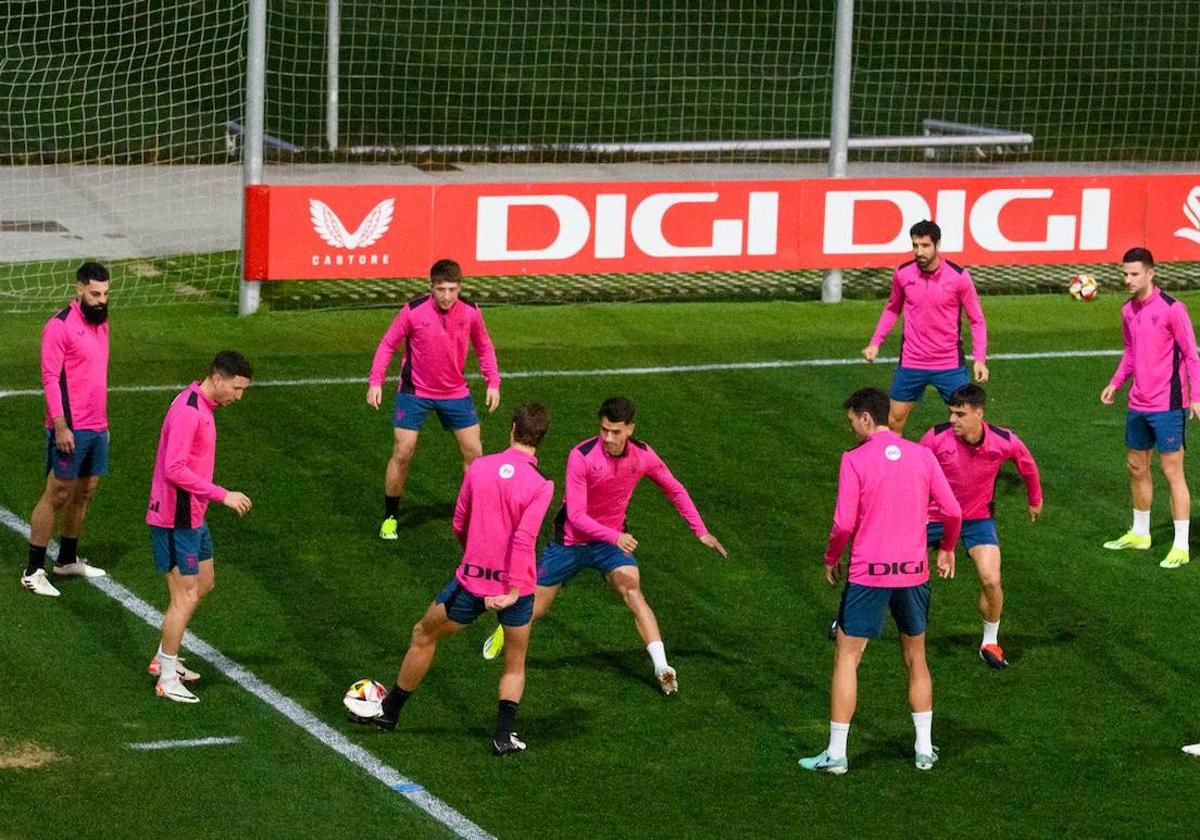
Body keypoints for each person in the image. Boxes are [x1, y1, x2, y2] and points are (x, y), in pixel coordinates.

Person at [479, 397, 728, 696]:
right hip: (571, 542)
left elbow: (673, 487)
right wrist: (614, 537)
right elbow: (577, 516)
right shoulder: (581, 456)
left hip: (610, 543)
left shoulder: (643, 456)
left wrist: (700, 530)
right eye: (604, 430)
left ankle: (662, 668)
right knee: (536, 606)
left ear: (630, 429)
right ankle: (503, 632)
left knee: (632, 589)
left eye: (616, 432)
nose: (608, 438)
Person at [354, 404, 554, 756]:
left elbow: (459, 521)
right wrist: (510, 592)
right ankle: (504, 735)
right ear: (541, 438)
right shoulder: (541, 485)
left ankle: (390, 712)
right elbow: (525, 540)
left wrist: (475, 557)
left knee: (423, 635)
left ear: (511, 429)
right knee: (514, 662)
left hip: (471, 582)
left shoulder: (480, 468)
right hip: (517, 590)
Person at [800, 388, 961, 775]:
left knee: (848, 657)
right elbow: (952, 510)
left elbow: (843, 523)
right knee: (915, 656)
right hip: (913, 572)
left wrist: (830, 557)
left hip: (869, 573)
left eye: (852, 420)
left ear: (867, 418)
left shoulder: (854, 460)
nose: (851, 427)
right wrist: (948, 549)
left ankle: (837, 754)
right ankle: (924, 749)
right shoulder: (922, 455)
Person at [146, 351, 254, 703]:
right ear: (218, 378)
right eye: (236, 389)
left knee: (204, 583)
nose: (238, 397)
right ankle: (166, 675)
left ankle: (165, 657)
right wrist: (223, 494)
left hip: (193, 514)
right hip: (175, 517)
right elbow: (174, 468)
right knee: (185, 596)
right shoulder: (189, 412)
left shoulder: (203, 406)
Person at [366, 259, 501, 540]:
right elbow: (388, 344)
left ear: (460, 287)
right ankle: (391, 517)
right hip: (414, 392)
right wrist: (376, 381)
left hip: (455, 392)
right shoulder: (413, 311)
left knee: (474, 453)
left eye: (452, 289)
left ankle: (472, 516)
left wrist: (493, 382)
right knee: (403, 451)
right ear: (432, 287)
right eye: (441, 289)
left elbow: (484, 347)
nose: (447, 296)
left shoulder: (471, 312)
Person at [919, 384, 1043, 669]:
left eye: (960, 414)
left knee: (991, 580)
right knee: (886, 558)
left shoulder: (1004, 440)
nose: (952, 420)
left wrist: (1035, 499)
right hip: (933, 516)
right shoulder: (936, 438)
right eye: (951, 413)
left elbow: (1027, 466)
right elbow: (912, 471)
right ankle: (849, 619)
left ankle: (989, 642)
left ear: (979, 414)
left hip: (976, 519)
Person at [1100, 247, 1200, 569]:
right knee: (1136, 467)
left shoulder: (1173, 309)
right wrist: (1116, 382)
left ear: (1150, 273)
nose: (1127, 280)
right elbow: (1130, 352)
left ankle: (1181, 544)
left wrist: (1195, 397)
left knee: (1172, 472)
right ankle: (1141, 533)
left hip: (1168, 404)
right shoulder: (1127, 310)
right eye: (1125, 274)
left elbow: (1191, 355)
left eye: (1133, 274)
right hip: (1137, 403)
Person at [21, 263, 112, 597]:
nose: (101, 300)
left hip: (97, 426)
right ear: (79, 290)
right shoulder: (59, 326)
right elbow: (49, 378)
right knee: (57, 493)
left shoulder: (101, 322)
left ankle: (67, 559)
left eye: (105, 294)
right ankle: (33, 570)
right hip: (70, 427)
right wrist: (60, 426)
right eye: (95, 294)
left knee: (85, 490)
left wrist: (105, 424)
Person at [862, 220, 989, 436]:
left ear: (937, 245)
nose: (919, 251)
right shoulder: (903, 274)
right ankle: (897, 468)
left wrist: (980, 359)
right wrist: (875, 343)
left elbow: (976, 319)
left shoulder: (959, 277)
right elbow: (892, 308)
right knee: (893, 423)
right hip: (912, 361)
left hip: (948, 363)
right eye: (915, 245)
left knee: (968, 423)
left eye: (925, 246)